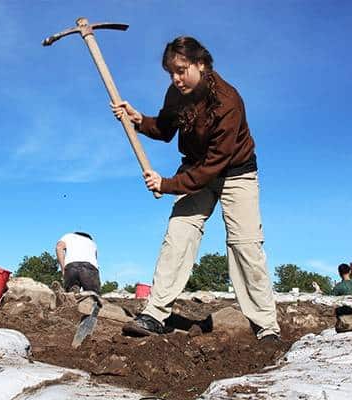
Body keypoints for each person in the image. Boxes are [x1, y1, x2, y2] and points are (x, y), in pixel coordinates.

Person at [112, 36, 280, 341]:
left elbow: (213, 166)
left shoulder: (227, 101)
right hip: (195, 167)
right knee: (178, 234)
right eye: (170, 73)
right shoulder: (176, 93)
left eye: (181, 70)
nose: (175, 79)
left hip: (235, 173)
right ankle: (154, 314)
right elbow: (164, 129)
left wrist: (168, 184)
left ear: (201, 64)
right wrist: (138, 119)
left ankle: (266, 327)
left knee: (245, 246)